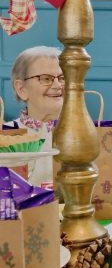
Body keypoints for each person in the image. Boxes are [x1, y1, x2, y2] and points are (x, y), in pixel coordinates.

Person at [5, 46, 63, 187]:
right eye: (46, 78)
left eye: (62, 78)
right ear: (21, 89)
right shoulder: (6, 134)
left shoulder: (87, 134)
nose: (57, 85)